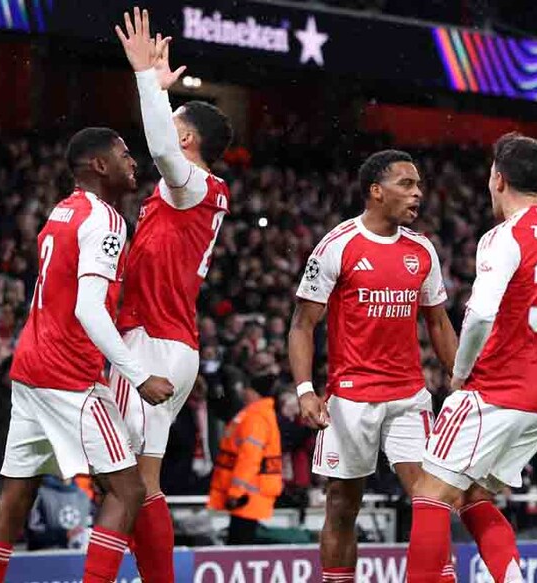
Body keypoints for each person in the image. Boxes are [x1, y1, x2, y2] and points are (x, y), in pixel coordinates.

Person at [0, 127, 175, 583]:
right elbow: (88, 308)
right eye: (124, 155)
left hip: (30, 368)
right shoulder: (106, 220)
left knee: (15, 496)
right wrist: (139, 376)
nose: (133, 163)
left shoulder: (62, 211)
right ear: (100, 165)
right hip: (69, 376)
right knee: (128, 490)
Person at [405, 133, 537, 583]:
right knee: (473, 497)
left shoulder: (505, 237)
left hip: (494, 392)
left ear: (498, 179)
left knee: (429, 494)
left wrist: (460, 373)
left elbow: (479, 315)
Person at [288, 149, 459, 582]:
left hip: (408, 397)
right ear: (376, 191)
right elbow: (302, 324)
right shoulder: (337, 245)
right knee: (342, 505)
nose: (418, 193)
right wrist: (305, 391)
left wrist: (462, 382)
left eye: (419, 185)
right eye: (407, 184)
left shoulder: (422, 250)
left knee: (431, 499)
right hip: (350, 399)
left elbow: (439, 323)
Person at [112, 8, 233, 581]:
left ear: (186, 137)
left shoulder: (193, 184)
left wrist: (145, 79)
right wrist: (161, 94)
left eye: (170, 120)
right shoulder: (187, 192)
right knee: (143, 482)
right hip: (171, 342)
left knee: (121, 481)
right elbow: (166, 143)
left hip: (154, 344)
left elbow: (163, 148)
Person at [207, 374, 283, 545]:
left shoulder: (255, 418)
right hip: (252, 490)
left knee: (240, 542)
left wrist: (236, 491)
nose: (243, 392)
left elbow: (249, 458)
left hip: (247, 494)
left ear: (254, 392)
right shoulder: (259, 414)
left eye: (247, 388)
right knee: (242, 540)